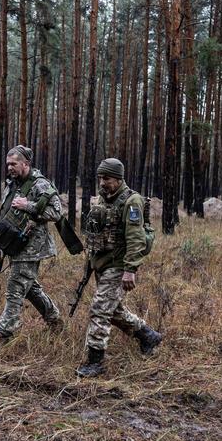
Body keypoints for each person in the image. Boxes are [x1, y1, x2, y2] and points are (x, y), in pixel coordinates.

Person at [76, 158, 162, 378]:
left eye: (106, 178)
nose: (102, 183)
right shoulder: (103, 199)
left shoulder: (131, 202)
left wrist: (130, 269)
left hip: (118, 265)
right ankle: (148, 336)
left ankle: (95, 361)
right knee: (114, 311)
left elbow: (136, 239)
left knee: (100, 309)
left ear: (118, 178)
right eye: (100, 178)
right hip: (102, 263)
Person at [0, 145, 64, 350]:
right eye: (8, 164)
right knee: (30, 289)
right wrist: (0, 246)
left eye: (14, 164)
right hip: (13, 244)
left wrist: (28, 206)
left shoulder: (40, 184)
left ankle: (3, 334)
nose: (10, 167)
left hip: (31, 247)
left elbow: (56, 213)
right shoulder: (12, 184)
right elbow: (6, 216)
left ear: (26, 164)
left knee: (15, 288)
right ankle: (55, 320)